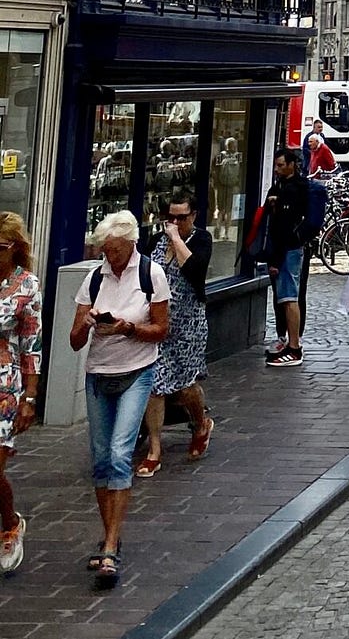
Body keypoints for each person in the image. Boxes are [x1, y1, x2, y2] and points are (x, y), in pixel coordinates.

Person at [70, 211, 172, 589]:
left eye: (114, 250)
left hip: (137, 371)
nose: (109, 258)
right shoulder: (94, 278)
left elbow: (162, 330)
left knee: (118, 452)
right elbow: (74, 340)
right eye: (104, 251)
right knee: (100, 458)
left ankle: (111, 544)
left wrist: (130, 328)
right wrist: (88, 322)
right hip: (99, 373)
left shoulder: (151, 275)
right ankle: (108, 532)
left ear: (130, 244)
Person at [138, 193, 213, 477]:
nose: (174, 222)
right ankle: (155, 450)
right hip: (159, 325)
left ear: (193, 216)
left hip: (188, 327)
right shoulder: (156, 242)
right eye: (170, 217)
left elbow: (195, 270)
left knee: (185, 387)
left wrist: (177, 240)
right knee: (155, 384)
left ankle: (200, 422)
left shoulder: (201, 240)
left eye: (181, 217)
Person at [0, 214, 40, 575]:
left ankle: (10, 524)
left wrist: (29, 398)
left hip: (5, 384)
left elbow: (32, 344)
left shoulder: (26, 285)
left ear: (15, 248)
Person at [263, 149, 309, 367]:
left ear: (292, 164)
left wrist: (275, 259)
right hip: (285, 248)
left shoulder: (295, 189)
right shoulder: (280, 185)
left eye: (281, 165)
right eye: (276, 165)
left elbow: (284, 225)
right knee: (285, 297)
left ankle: (294, 346)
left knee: (290, 298)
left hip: (288, 249)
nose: (277, 169)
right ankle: (289, 341)